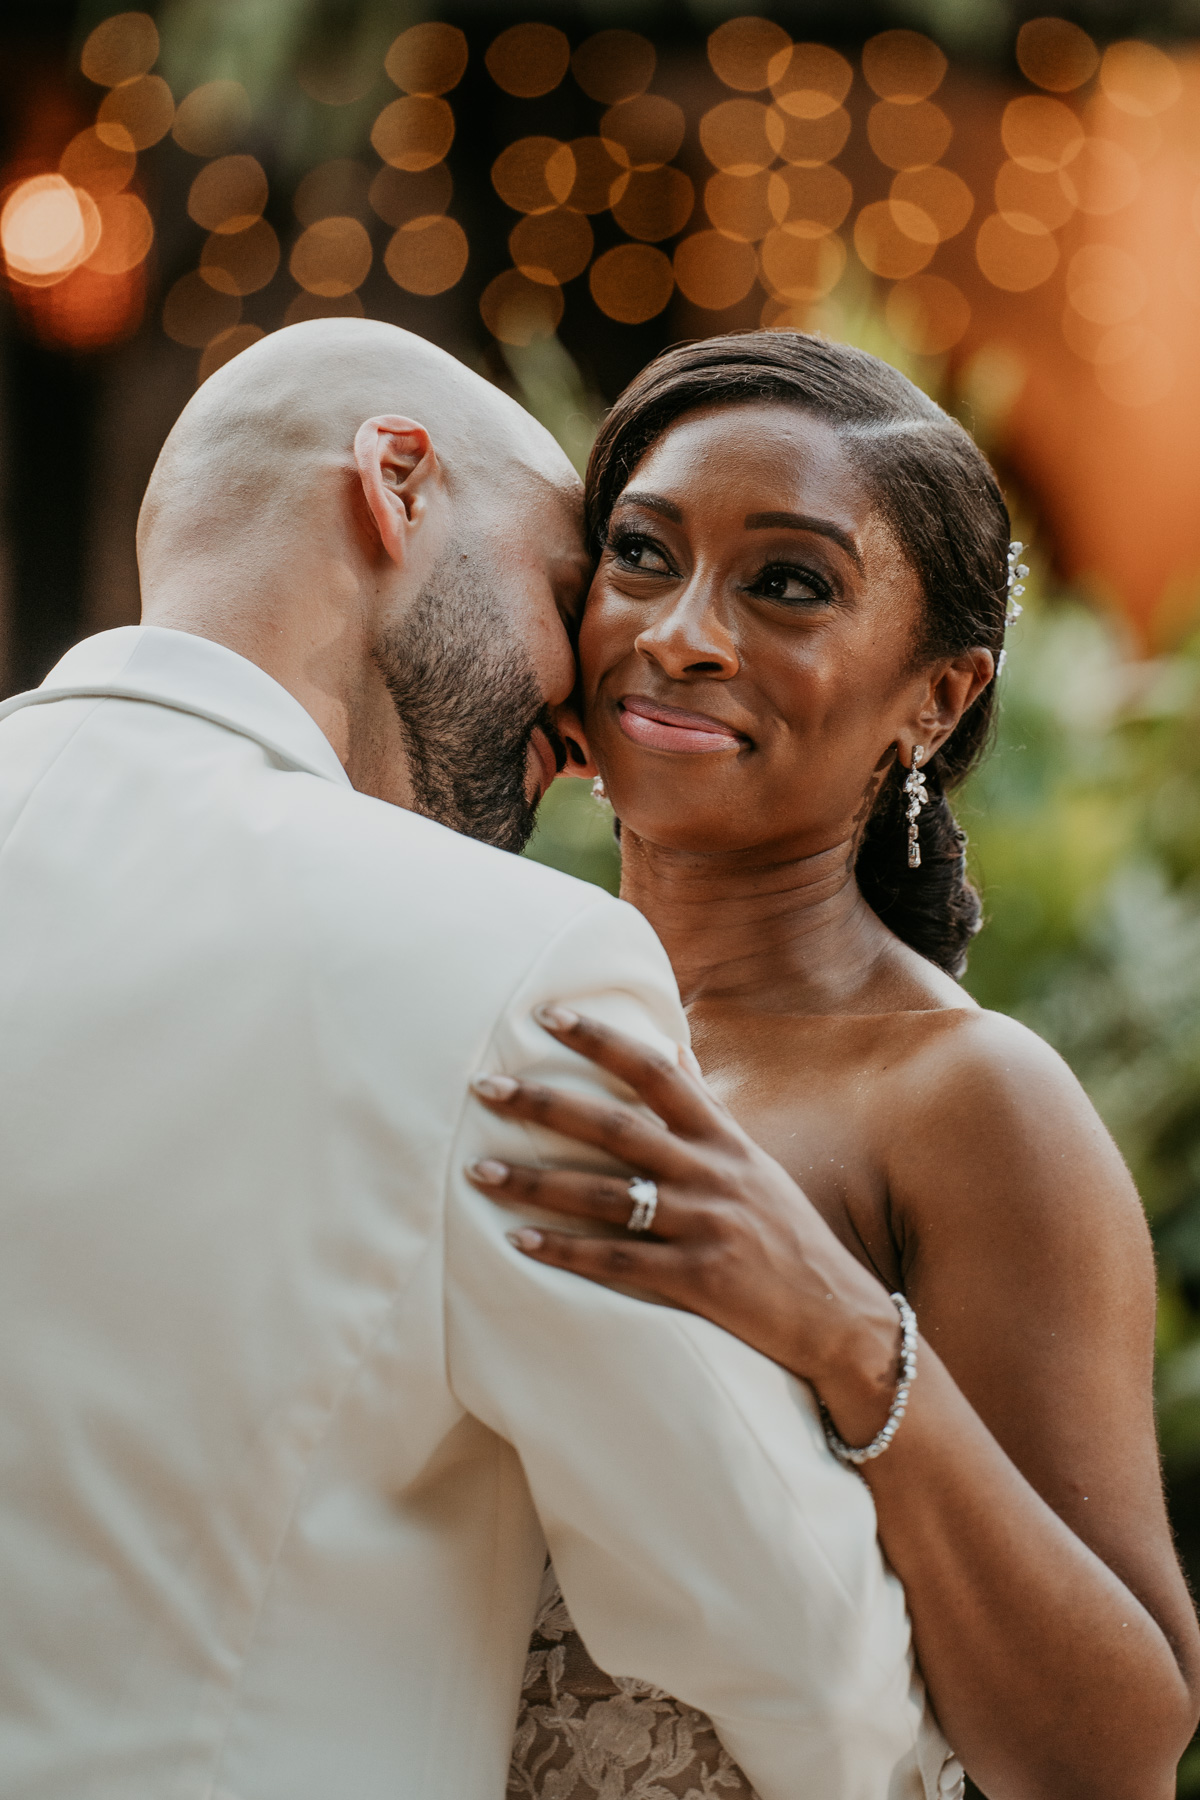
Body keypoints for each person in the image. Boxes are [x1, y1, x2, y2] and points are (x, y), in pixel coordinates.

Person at [0, 319, 957, 1800]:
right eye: (572, 586)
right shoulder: (507, 964)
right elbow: (795, 1643)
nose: (581, 719)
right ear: (396, 483)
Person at [469, 333, 1200, 1800]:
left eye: (785, 583)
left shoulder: (969, 1101)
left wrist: (844, 1331)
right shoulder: (475, 998)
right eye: (640, 554)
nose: (680, 633)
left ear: (936, 697)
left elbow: (1118, 1752)